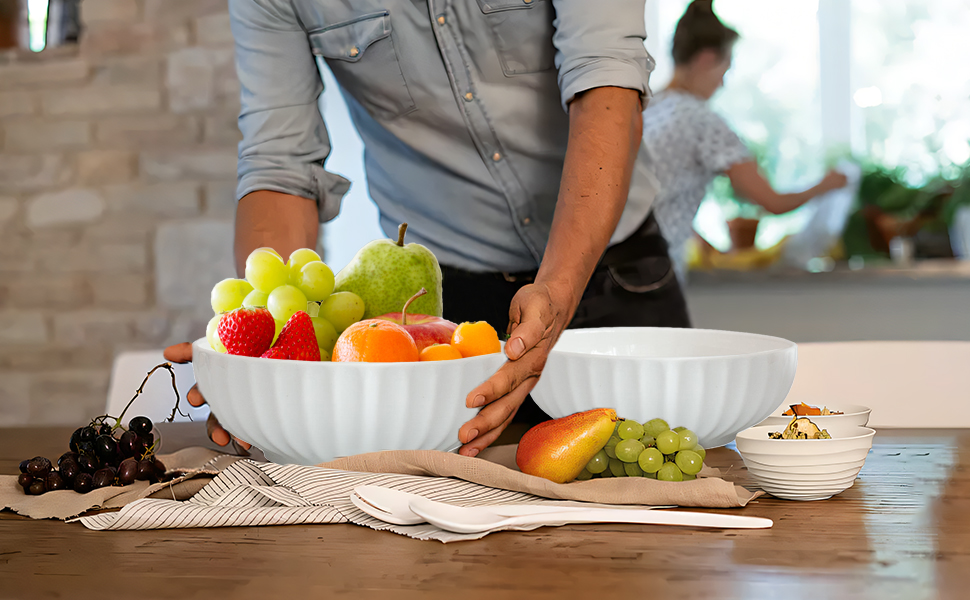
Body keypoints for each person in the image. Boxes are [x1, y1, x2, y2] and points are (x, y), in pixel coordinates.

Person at [164, 0, 691, 458]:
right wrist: (271, 351)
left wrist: (557, 285)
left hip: (616, 273)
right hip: (445, 314)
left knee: (656, 493)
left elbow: (607, 85)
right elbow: (278, 163)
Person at [642, 0, 848, 284]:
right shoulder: (701, 121)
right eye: (724, 71)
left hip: (616, 267)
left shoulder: (646, 107)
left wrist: (700, 240)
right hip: (653, 277)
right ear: (706, 59)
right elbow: (772, 202)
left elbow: (656, 199)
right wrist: (826, 185)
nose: (722, 84)